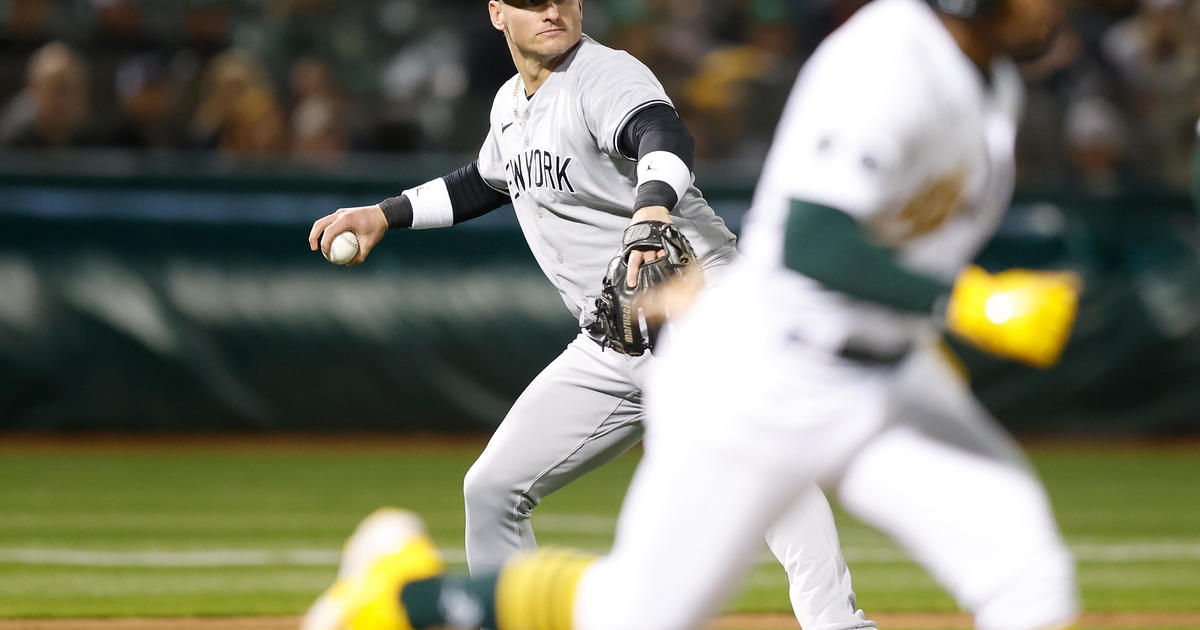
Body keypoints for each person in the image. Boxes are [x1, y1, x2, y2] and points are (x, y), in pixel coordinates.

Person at [301, 0, 1085, 629]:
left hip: (710, 317)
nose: (556, 10)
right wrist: (386, 212)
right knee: (499, 495)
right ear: (495, 13)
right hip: (642, 343)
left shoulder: (601, 74)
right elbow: (483, 180)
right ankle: (404, 599)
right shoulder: (515, 105)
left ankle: (837, 624)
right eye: (534, 1)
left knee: (1022, 577)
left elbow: (663, 138)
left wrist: (649, 214)